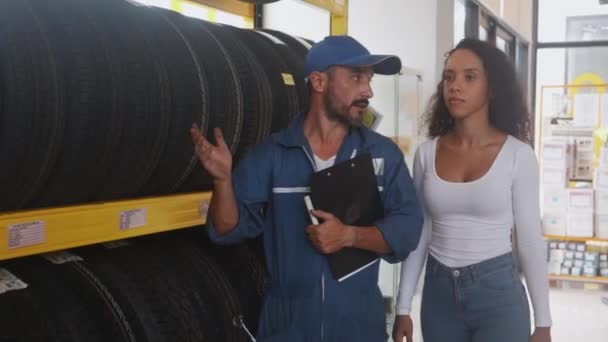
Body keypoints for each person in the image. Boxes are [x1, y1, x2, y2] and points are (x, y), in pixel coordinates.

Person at [190, 35, 424, 342]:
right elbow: (225, 228)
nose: (368, 90)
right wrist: (222, 181)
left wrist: (349, 235)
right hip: (288, 324)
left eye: (368, 80)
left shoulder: (381, 154)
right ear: (318, 81)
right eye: (356, 78)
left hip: (358, 322)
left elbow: (408, 229)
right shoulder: (272, 154)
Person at [392, 38, 552, 342]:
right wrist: (402, 306)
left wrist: (543, 322)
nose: (455, 86)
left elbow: (530, 239)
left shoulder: (518, 155)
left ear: (491, 88)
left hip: (498, 294)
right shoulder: (426, 153)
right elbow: (421, 231)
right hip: (438, 296)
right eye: (449, 77)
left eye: (470, 77)